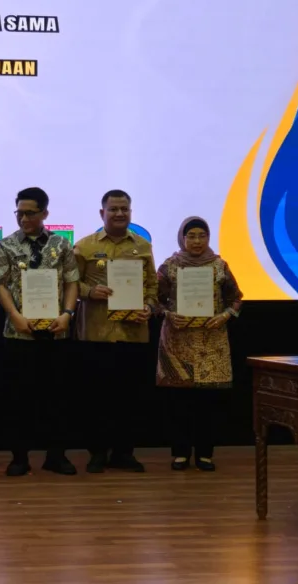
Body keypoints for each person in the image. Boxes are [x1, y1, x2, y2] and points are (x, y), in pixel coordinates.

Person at [0, 187, 80, 476]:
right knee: (18, 399)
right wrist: (15, 315)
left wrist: (67, 314)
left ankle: (56, 456)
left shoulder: (61, 244)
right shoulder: (6, 245)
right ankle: (19, 458)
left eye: (30, 213)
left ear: (45, 213)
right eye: (19, 213)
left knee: (57, 398)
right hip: (19, 332)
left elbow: (71, 282)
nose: (23, 219)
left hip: (56, 331)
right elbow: (0, 284)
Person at [73, 190, 157, 473]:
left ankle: (124, 453)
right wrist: (89, 291)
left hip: (133, 334)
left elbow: (152, 286)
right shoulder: (84, 246)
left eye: (124, 209)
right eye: (113, 209)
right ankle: (97, 453)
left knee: (130, 398)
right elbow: (70, 284)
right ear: (102, 213)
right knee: (96, 398)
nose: (119, 214)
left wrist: (149, 306)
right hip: (96, 334)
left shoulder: (143, 246)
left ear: (131, 212)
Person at [156, 216, 243, 471]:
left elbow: (236, 298)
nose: (197, 241)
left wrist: (225, 316)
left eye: (202, 236)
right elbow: (153, 299)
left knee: (208, 403)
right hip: (177, 340)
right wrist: (168, 314)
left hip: (211, 341)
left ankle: (205, 454)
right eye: (191, 236)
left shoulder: (219, 266)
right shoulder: (169, 266)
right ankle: (180, 453)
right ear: (182, 238)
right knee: (178, 402)